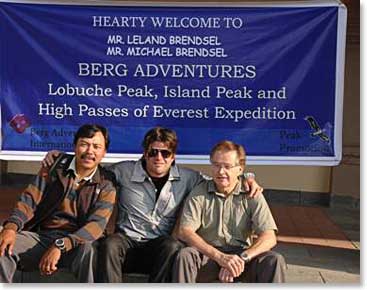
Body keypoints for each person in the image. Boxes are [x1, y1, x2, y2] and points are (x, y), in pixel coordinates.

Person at [43, 126, 263, 282]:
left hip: (157, 246)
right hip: (126, 242)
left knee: (172, 246)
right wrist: (62, 157)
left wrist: (247, 179)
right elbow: (91, 166)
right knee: (109, 244)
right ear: (145, 153)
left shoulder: (188, 178)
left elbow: (221, 178)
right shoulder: (124, 171)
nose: (159, 157)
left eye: (165, 153)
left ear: (173, 156)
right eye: (153, 152)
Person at [0, 124, 116, 283]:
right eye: (84, 144)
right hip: (42, 237)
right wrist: (11, 227)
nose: (90, 151)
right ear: (75, 146)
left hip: (77, 243)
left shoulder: (106, 183)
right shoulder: (55, 166)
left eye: (96, 147)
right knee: (3, 244)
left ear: (104, 153)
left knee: (89, 250)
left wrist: (60, 245)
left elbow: (96, 225)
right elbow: (29, 199)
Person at [172, 140, 286, 283]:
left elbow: (269, 237)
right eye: (216, 165)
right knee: (185, 255)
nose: (221, 172)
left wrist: (241, 259)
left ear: (240, 169)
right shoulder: (199, 192)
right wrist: (220, 257)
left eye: (227, 166)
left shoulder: (251, 194)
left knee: (274, 260)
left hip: (242, 258)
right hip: (208, 256)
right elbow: (185, 231)